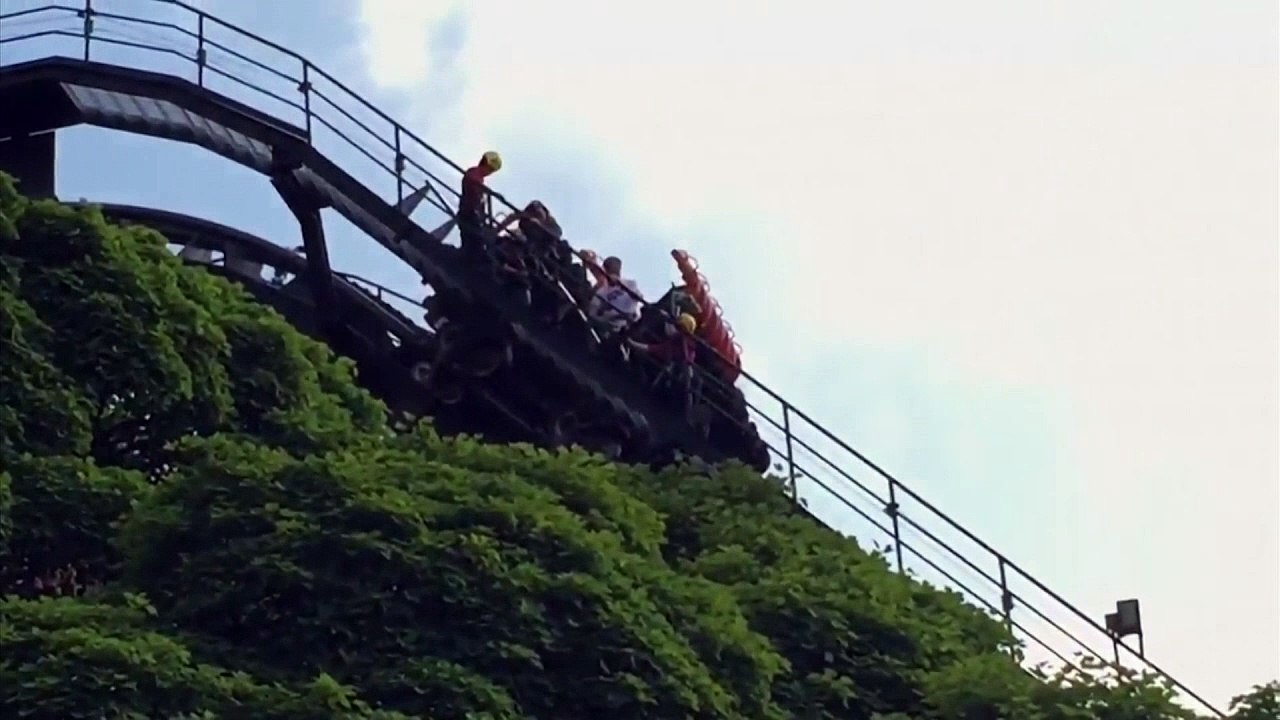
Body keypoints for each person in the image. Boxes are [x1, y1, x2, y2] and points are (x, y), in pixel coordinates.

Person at [457, 150, 502, 260]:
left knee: (474, 241)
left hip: (469, 213)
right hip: (468, 213)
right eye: (491, 170)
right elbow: (473, 190)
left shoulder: (477, 175)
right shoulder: (475, 174)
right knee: (475, 241)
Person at [588, 256, 643, 333]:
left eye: (615, 270)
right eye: (610, 269)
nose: (613, 273)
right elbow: (594, 314)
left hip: (631, 325)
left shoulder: (630, 284)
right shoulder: (600, 293)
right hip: (609, 329)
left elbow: (638, 298)